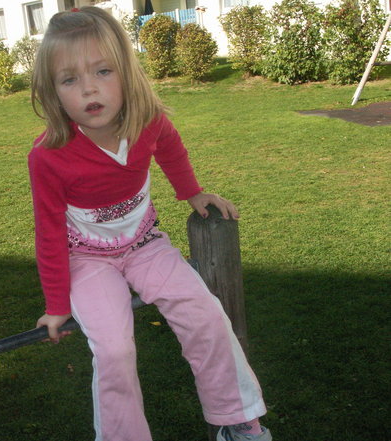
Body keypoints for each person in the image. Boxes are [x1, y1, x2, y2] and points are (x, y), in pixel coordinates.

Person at [29, 7, 271, 441]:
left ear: (126, 71)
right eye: (69, 80)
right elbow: (48, 232)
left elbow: (171, 147)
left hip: (145, 245)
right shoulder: (48, 155)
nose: (88, 88)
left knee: (206, 313)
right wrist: (56, 304)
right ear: (52, 92)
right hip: (86, 261)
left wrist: (192, 193)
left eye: (102, 71)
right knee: (115, 350)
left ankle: (237, 419)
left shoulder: (148, 122)